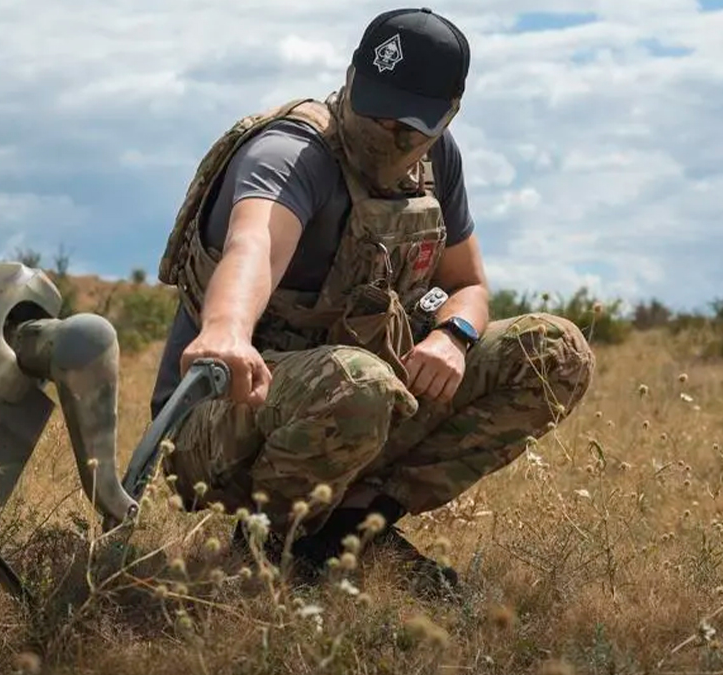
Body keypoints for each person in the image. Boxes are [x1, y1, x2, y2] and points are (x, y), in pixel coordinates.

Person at [150, 7, 595, 597]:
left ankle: (350, 529)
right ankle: (268, 542)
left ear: (445, 117)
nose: (382, 126)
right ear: (352, 77)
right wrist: (227, 330)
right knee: (357, 382)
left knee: (553, 351)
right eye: (373, 103)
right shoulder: (290, 152)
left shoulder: (439, 160)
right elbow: (253, 242)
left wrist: (452, 336)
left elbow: (469, 285)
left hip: (359, 399)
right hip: (223, 412)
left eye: (405, 122)